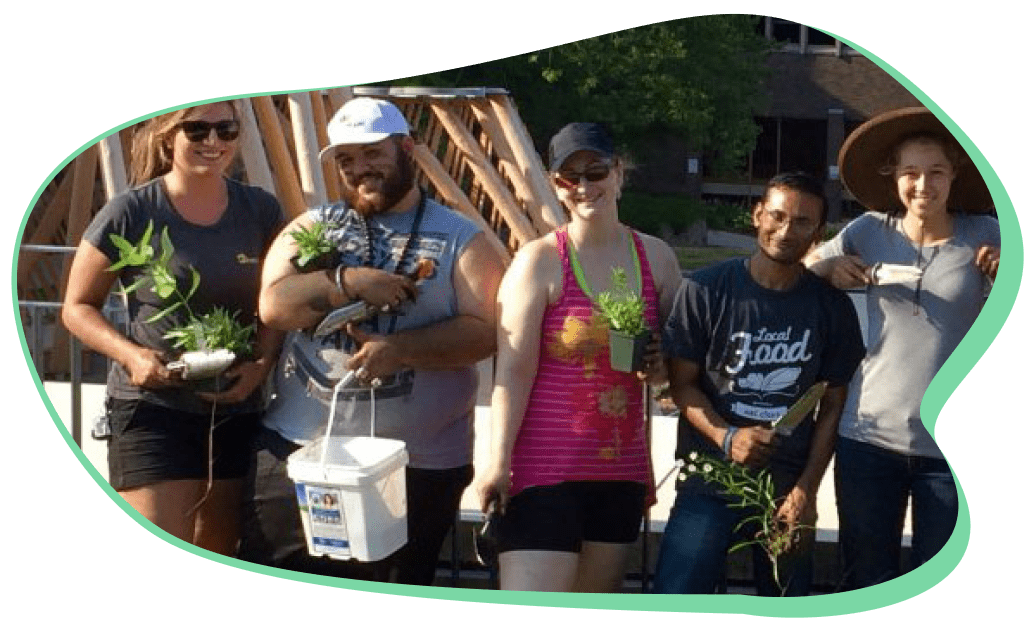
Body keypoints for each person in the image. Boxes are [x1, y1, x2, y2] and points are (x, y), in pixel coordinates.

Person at [237, 97, 504, 585]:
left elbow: (487, 332)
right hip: (300, 453)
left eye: (372, 153)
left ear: (408, 149)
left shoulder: (462, 238)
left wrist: (401, 350)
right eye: (346, 159)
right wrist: (347, 281)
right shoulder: (311, 228)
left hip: (416, 465)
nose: (359, 168)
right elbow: (273, 305)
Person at [61, 101, 286, 555]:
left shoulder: (260, 210)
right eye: (197, 131)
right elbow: (77, 307)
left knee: (220, 554)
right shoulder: (131, 212)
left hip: (236, 410)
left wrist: (260, 367)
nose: (214, 142)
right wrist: (131, 356)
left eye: (226, 130)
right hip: (153, 408)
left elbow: (278, 305)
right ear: (169, 137)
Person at [473, 122, 683, 592]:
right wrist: (497, 460)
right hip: (544, 469)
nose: (585, 187)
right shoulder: (540, 260)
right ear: (556, 186)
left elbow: (674, 368)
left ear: (619, 172)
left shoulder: (657, 258)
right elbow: (513, 371)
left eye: (596, 171)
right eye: (570, 178)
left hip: (620, 470)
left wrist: (659, 366)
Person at [805, 107, 1001, 590]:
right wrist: (827, 270)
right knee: (866, 581)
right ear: (893, 174)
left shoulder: (988, 235)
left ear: (955, 174)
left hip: (951, 450)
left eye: (936, 172)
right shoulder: (868, 231)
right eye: (911, 172)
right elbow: (804, 265)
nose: (922, 186)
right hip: (867, 440)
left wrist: (1008, 274)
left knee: (943, 584)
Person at [652, 172, 866, 596]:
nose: (786, 230)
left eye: (803, 222)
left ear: (818, 232)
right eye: (777, 216)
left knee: (787, 602)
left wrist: (806, 490)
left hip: (786, 487)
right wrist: (726, 435)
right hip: (710, 476)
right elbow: (682, 386)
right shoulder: (705, 289)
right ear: (757, 215)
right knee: (676, 596)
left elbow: (833, 404)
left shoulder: (832, 309)